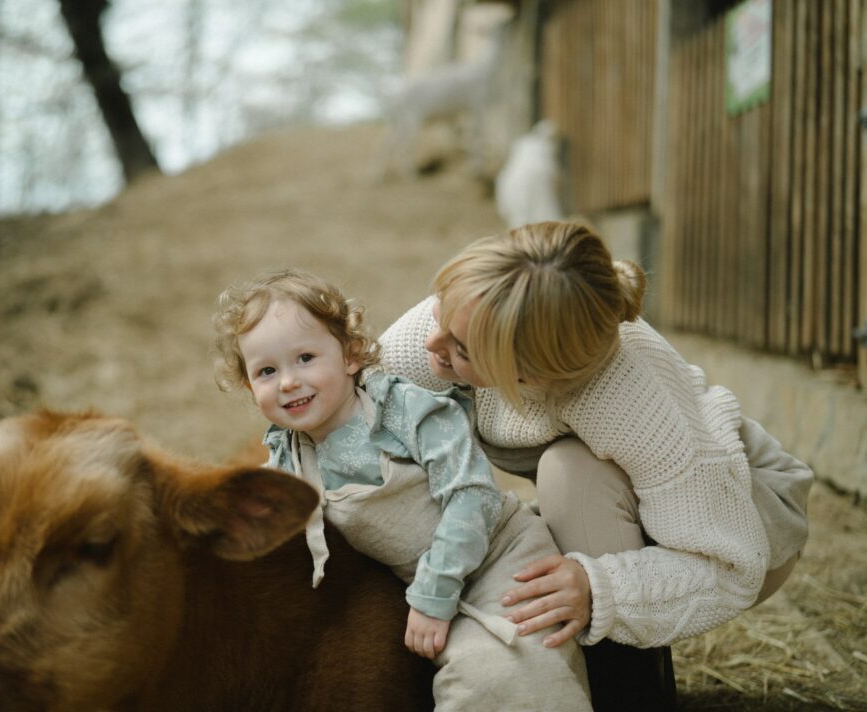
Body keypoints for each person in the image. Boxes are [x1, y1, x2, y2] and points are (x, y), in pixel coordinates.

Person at [378, 221, 814, 710]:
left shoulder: (634, 402)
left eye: (460, 351)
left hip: (739, 522)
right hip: (639, 499)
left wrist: (599, 587)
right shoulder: (473, 315)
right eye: (439, 312)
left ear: (530, 376)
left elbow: (730, 567)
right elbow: (366, 393)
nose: (432, 344)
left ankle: (628, 693)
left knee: (571, 475)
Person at [213, 269, 591, 711]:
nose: (288, 382)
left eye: (305, 358)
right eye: (267, 371)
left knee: (495, 676)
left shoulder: (402, 410)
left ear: (351, 356)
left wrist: (433, 596)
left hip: (498, 558)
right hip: (422, 583)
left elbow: (473, 496)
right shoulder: (288, 459)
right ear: (249, 386)